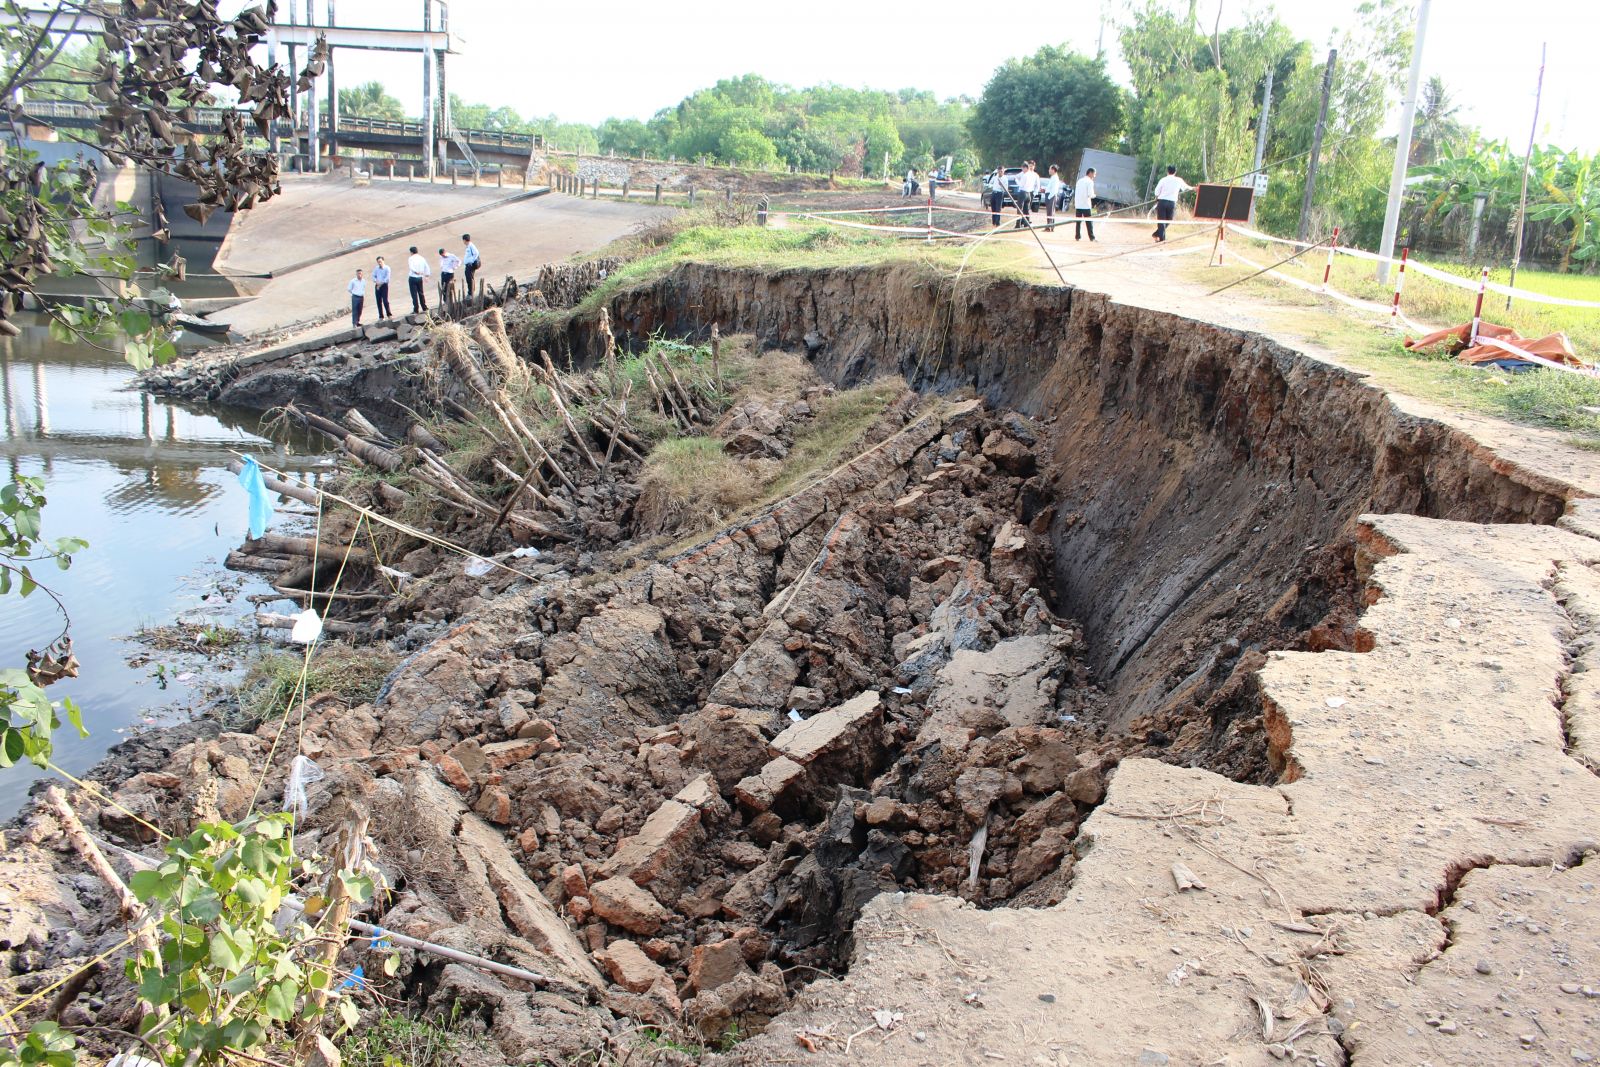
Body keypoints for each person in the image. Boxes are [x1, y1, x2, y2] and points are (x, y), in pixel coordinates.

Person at [1152, 165, 1193, 242]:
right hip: (1171, 203)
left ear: (1167, 171)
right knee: (1168, 220)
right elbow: (1186, 186)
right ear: (1175, 172)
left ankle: (1157, 234)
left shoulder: (1163, 180)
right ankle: (1162, 239)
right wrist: (1194, 188)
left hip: (1162, 202)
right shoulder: (1179, 180)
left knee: (1162, 221)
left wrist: (1156, 196)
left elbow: (1156, 191)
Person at [1074, 167, 1097, 241]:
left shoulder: (1079, 181)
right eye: (1094, 174)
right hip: (1086, 205)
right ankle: (1092, 238)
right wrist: (1094, 195)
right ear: (1090, 173)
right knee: (1089, 222)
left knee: (1078, 222)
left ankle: (1077, 237)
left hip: (1078, 205)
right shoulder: (1090, 182)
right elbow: (1090, 194)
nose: (1094, 176)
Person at [1014, 160, 1039, 228]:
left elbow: (1021, 185)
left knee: (1019, 209)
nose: (1022, 169)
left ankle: (1018, 224)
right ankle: (1026, 223)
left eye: (1023, 168)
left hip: (1023, 193)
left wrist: (1016, 180)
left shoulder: (1025, 175)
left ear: (1025, 168)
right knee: (1026, 210)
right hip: (1028, 193)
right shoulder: (1032, 175)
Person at [406, 245, 430, 314]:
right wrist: (427, 275)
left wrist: (416, 271)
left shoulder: (411, 258)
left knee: (414, 294)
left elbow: (411, 267)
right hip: (420, 277)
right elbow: (426, 267)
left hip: (413, 277)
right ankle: (424, 307)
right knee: (421, 293)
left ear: (411, 252)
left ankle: (416, 309)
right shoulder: (422, 258)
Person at [1041, 164, 1064, 232]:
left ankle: (1049, 227)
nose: (1049, 170)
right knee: (1050, 212)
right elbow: (1050, 188)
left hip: (1051, 196)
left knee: (1050, 212)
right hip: (1050, 195)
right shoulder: (1053, 177)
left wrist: (1049, 197)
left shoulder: (1055, 178)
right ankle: (1050, 226)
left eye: (1050, 169)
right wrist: (1045, 190)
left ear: (1053, 170)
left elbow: (1054, 190)